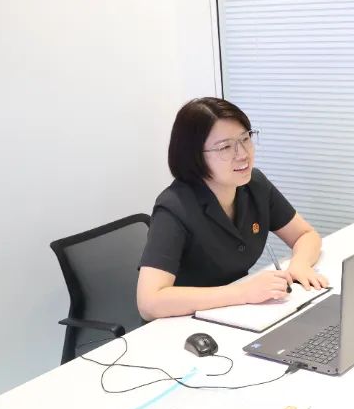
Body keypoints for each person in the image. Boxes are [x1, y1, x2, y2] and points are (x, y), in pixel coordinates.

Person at [136, 97, 329, 321]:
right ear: (195, 156)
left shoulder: (254, 185)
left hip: (236, 315)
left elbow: (305, 235)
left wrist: (299, 265)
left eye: (245, 139)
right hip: (182, 324)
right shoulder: (174, 207)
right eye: (226, 147)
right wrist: (242, 293)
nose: (243, 154)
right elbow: (149, 302)